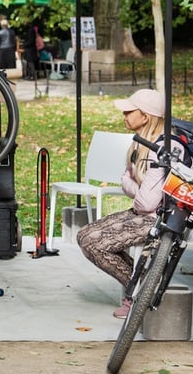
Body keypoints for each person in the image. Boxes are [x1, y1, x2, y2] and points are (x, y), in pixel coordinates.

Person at [76, 88, 181, 318]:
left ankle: (138, 293)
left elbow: (145, 202)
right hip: (144, 213)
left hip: (162, 219)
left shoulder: (163, 148)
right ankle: (143, 283)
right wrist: (135, 186)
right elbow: (128, 182)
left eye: (129, 111)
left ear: (145, 116)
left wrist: (131, 185)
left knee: (94, 244)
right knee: (84, 236)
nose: (124, 115)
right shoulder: (140, 143)